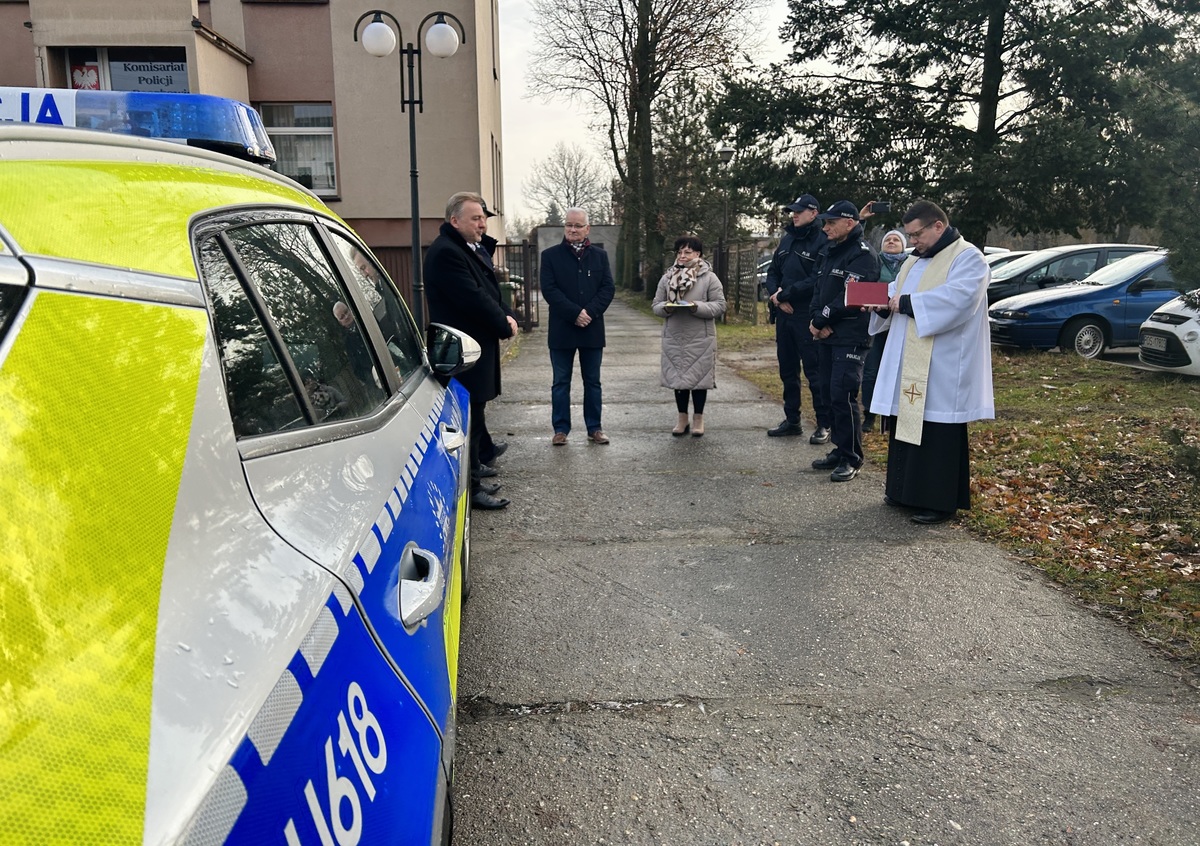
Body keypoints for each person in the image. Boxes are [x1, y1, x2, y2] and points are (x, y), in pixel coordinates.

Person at [867, 199, 993, 524]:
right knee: (906, 423)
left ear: (938, 225)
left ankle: (938, 502)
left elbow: (960, 299)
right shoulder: (914, 260)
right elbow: (894, 292)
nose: (912, 241)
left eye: (917, 234)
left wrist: (907, 303)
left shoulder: (968, 258)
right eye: (909, 235)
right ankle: (903, 492)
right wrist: (879, 303)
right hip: (909, 358)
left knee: (937, 432)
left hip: (943, 364)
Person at [424, 191, 519, 510]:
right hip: (463, 352)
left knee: (475, 419)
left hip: (473, 349)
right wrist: (504, 324)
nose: (483, 224)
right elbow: (473, 299)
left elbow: (489, 292)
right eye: (476, 218)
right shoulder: (446, 253)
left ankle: (475, 474)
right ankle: (471, 489)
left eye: (483, 218)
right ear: (455, 220)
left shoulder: (465, 248)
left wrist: (508, 315)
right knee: (467, 422)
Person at [808, 200, 880, 482]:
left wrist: (821, 320)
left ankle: (852, 457)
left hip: (850, 336)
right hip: (826, 335)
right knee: (828, 394)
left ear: (849, 223)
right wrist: (816, 320)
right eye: (824, 222)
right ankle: (840, 449)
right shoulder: (831, 251)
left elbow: (851, 297)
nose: (825, 228)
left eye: (831, 222)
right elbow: (819, 290)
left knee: (842, 395)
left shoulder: (863, 254)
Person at [539, 207, 616, 445]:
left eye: (577, 225)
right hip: (562, 329)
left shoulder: (600, 256)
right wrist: (574, 314)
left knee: (592, 381)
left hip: (592, 329)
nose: (572, 229)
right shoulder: (550, 256)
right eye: (569, 225)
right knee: (560, 382)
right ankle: (560, 429)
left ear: (587, 228)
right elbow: (549, 290)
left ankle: (595, 428)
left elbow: (607, 288)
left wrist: (589, 313)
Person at [764, 194, 831, 443]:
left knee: (815, 372)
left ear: (813, 213)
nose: (794, 215)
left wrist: (786, 294)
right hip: (784, 314)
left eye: (799, 211)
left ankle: (824, 423)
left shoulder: (822, 240)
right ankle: (792, 420)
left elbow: (817, 278)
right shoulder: (787, 239)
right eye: (793, 211)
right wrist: (776, 296)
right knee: (787, 370)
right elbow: (773, 272)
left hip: (806, 314)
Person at [651, 236, 727, 437]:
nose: (682, 256)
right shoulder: (667, 277)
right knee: (678, 379)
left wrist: (695, 307)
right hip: (674, 335)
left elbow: (720, 306)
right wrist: (667, 308)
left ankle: (698, 418)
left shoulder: (709, 278)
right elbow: (656, 305)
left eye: (688, 252)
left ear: (698, 254)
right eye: (680, 252)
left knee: (699, 379)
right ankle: (682, 418)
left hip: (700, 337)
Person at [859, 226, 908, 432]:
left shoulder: (911, 264)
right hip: (877, 324)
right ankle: (869, 414)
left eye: (896, 240)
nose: (891, 242)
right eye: (888, 239)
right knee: (871, 371)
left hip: (902, 323)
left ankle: (895, 414)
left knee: (899, 371)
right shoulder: (874, 261)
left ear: (903, 245)